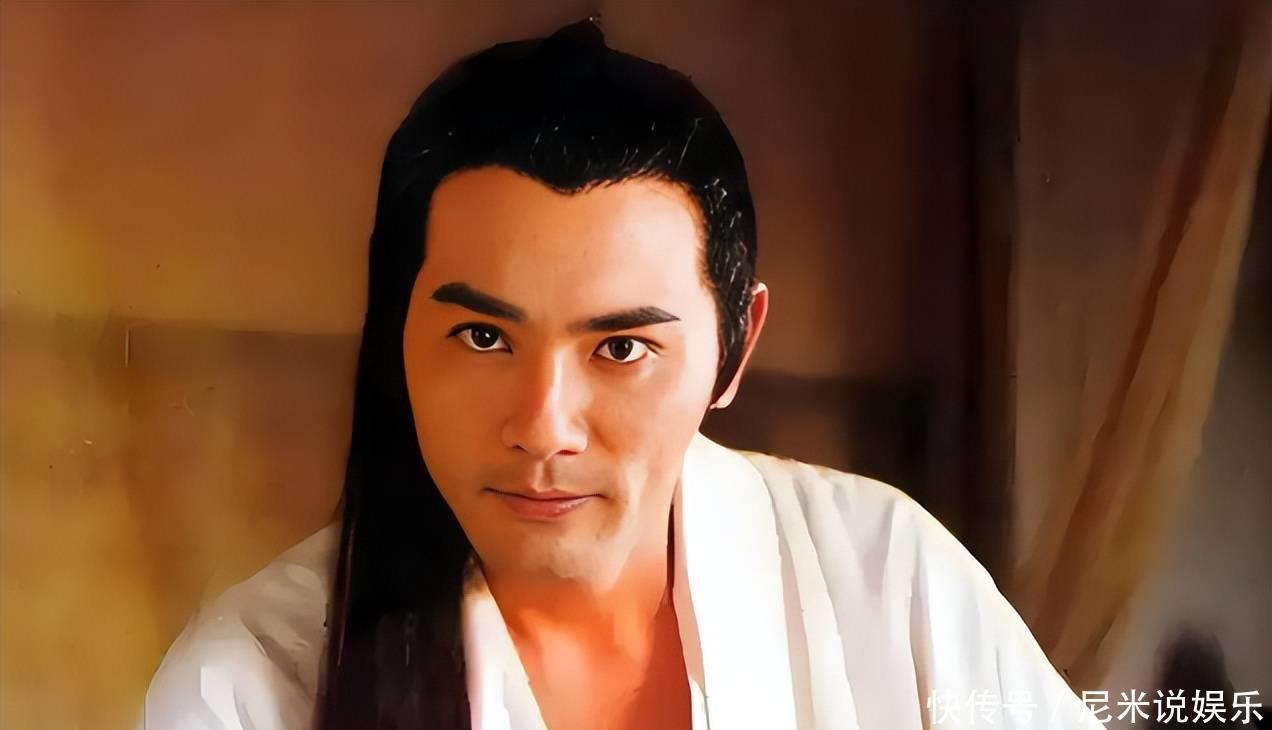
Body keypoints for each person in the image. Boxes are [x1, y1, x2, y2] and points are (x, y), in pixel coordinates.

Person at [137, 19, 1103, 730]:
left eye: (622, 349)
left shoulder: (883, 576)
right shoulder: (247, 688)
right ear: (397, 329)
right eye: (482, 337)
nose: (544, 425)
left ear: (737, 346)